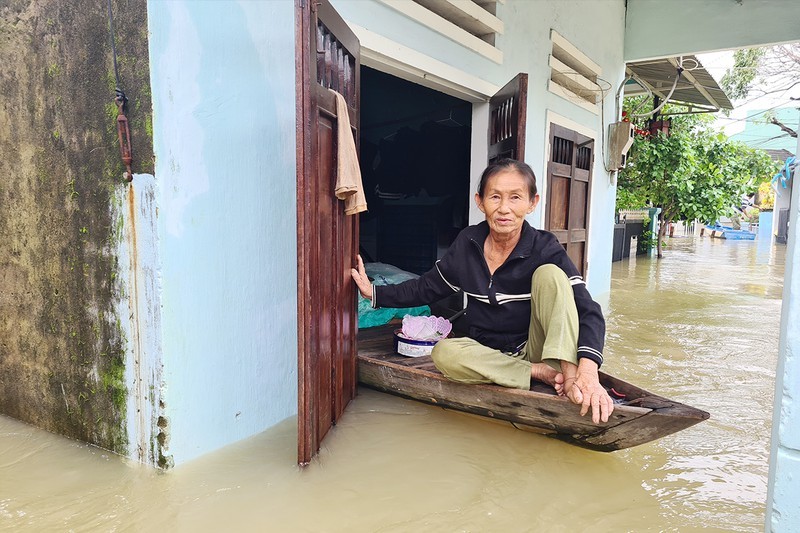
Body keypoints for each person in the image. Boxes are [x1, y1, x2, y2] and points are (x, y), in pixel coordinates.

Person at [351, 159, 613, 424]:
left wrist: (588, 373)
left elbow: (587, 310)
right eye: (495, 197)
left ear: (532, 203)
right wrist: (373, 292)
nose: (504, 209)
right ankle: (537, 372)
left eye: (515, 198)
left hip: (535, 347)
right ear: (480, 201)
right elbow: (427, 287)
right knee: (445, 353)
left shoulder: (544, 247)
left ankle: (568, 377)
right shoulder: (468, 243)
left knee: (551, 275)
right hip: (487, 355)